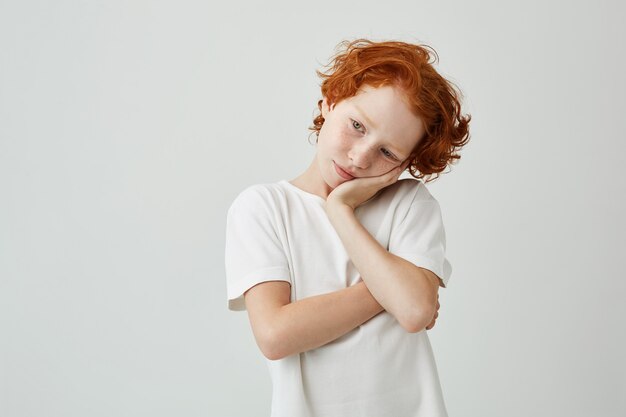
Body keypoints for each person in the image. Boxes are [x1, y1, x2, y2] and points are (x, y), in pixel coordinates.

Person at [225, 38, 471, 417]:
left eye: (388, 153)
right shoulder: (263, 208)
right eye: (357, 125)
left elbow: (413, 311)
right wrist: (391, 290)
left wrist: (340, 210)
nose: (360, 157)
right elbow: (275, 335)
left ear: (406, 164)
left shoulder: (409, 204)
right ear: (331, 100)